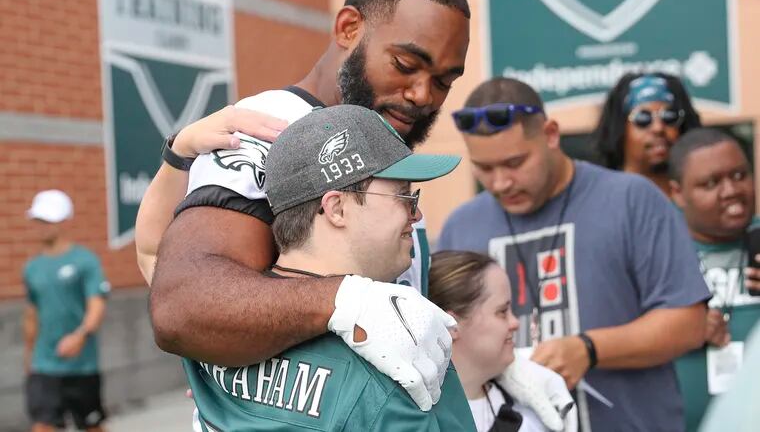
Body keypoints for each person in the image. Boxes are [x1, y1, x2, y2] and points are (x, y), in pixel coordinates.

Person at [141, 0, 471, 412]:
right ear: (349, 29)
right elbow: (182, 307)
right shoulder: (267, 129)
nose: (422, 95)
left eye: (443, 81)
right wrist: (346, 300)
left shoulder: (386, 152)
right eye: (405, 63)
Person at [438, 77, 710, 431]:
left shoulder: (631, 199)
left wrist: (590, 349)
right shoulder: (462, 225)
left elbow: (689, 323)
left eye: (515, 162)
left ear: (551, 134)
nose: (501, 182)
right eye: (485, 168)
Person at [186, 104, 476, 431]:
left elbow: (153, 251)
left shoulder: (210, 335)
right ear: (336, 208)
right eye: (404, 197)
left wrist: (176, 151)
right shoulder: (405, 362)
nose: (417, 215)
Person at [667, 128, 760, 431]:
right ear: (677, 192)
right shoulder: (658, 254)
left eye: (739, 175)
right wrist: (680, 330)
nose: (731, 190)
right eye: (711, 183)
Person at [429, 250, 578, 432]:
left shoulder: (528, 414)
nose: (515, 323)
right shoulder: (413, 418)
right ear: (451, 325)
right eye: (502, 311)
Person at [23, 190, 110, 432]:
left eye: (46, 220)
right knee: (42, 426)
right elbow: (31, 314)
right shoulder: (32, 268)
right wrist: (29, 358)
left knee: (92, 426)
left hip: (82, 366)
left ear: (62, 221)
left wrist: (80, 335)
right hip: (44, 366)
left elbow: (97, 306)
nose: (40, 226)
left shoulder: (86, 261)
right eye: (37, 220)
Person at [592, 72, 701, 196]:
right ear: (619, 130)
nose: (658, 128)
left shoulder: (700, 206)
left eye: (669, 116)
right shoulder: (601, 201)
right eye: (643, 118)